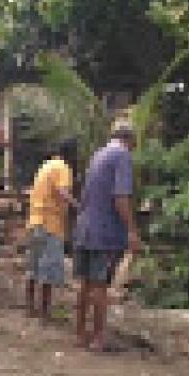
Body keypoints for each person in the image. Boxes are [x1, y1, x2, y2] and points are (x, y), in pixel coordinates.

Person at [74, 121, 141, 352]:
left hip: (85, 228)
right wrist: (132, 230)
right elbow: (121, 197)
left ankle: (80, 333)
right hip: (104, 231)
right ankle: (98, 338)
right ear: (130, 140)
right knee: (100, 285)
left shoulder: (98, 155)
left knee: (85, 283)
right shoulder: (122, 156)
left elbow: (85, 196)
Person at [25, 140, 78, 322]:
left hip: (35, 221)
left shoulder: (46, 166)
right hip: (50, 224)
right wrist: (78, 206)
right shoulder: (63, 168)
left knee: (33, 267)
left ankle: (30, 307)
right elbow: (62, 191)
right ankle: (45, 312)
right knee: (48, 270)